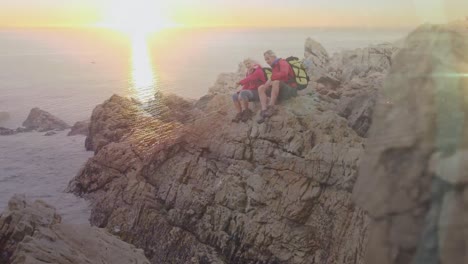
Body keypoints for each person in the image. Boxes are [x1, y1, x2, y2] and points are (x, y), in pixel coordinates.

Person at [257, 50, 297, 124]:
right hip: (280, 89)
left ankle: (271, 107)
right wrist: (265, 87)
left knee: (275, 82)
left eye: (268, 58)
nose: (267, 61)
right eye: (265, 59)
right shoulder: (274, 66)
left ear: (273, 56)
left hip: (290, 89)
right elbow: (272, 78)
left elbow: (284, 74)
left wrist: (272, 79)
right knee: (261, 87)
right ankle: (264, 110)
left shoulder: (282, 62)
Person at [231, 58, 266, 122]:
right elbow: (247, 84)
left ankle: (247, 112)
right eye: (246, 64)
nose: (247, 65)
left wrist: (239, 83)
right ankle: (240, 113)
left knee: (244, 93)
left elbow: (250, 78)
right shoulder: (248, 72)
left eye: (249, 63)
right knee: (234, 96)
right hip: (251, 92)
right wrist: (240, 91)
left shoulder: (258, 70)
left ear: (253, 63)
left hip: (259, 92)